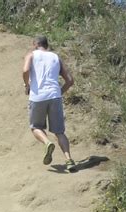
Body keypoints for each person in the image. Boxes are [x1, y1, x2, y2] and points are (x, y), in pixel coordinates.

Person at [22, 35, 77, 172]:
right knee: (59, 132)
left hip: (38, 97)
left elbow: (25, 70)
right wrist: (59, 93)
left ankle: (47, 143)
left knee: (36, 127)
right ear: (47, 45)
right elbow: (70, 80)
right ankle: (69, 160)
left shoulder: (31, 55)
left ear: (35, 44)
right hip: (55, 96)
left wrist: (26, 85)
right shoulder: (55, 57)